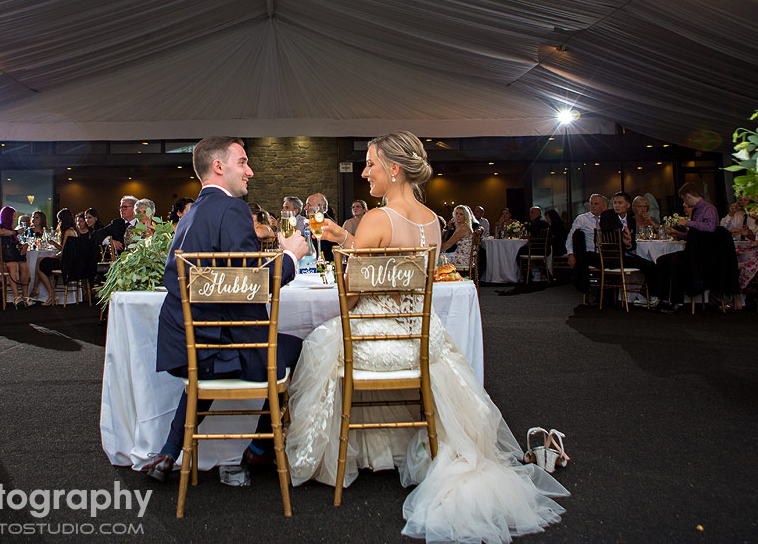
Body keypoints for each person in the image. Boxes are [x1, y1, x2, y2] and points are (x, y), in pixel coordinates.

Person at [289, 131, 567, 541]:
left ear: (394, 169)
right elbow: (391, 263)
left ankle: (351, 452)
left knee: (317, 345)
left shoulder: (376, 219)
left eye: (370, 164)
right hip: (420, 340)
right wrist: (346, 239)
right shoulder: (432, 221)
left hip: (375, 344)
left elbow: (351, 298)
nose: (365, 172)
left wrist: (345, 257)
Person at [143, 137, 308, 484]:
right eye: (243, 162)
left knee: (206, 372)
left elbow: (210, 279)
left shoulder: (189, 217)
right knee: (300, 348)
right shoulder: (232, 209)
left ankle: (171, 449)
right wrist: (292, 255)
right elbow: (251, 285)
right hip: (224, 348)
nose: (250, 170)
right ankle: (259, 451)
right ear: (219, 167)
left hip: (189, 348)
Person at [601, 191, 661, 306]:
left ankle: (645, 295)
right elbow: (606, 228)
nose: (617, 205)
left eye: (620, 203)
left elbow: (632, 245)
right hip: (612, 255)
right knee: (649, 265)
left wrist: (628, 243)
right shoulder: (607, 215)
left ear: (628, 205)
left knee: (651, 264)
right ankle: (649, 296)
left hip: (626, 253)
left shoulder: (631, 220)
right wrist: (623, 232)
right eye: (615, 203)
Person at [0, 206, 35, 307]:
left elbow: (16, 245)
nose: (14, 219)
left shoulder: (12, 231)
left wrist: (24, 246)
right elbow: (1, 233)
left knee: (24, 265)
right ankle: (16, 297)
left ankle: (25, 296)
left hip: (9, 259)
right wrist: (15, 232)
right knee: (13, 265)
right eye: (13, 216)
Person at [565, 194, 607, 293]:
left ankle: (608, 293)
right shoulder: (582, 219)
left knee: (612, 261)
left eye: (596, 204)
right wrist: (571, 254)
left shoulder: (607, 219)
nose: (593, 206)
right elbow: (571, 237)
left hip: (605, 253)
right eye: (591, 203)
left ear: (604, 206)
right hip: (589, 254)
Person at [439, 204, 477, 269]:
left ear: (465, 216)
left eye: (461, 214)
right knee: (441, 256)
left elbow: (448, 244)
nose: (458, 216)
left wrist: (435, 250)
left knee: (437, 259)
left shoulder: (464, 228)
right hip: (460, 255)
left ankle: (438, 277)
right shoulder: (461, 227)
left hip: (463, 259)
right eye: (456, 213)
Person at [306, 193, 338, 261]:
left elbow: (318, 248)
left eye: (308, 205)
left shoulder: (326, 223)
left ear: (319, 206)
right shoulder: (314, 221)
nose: (305, 208)